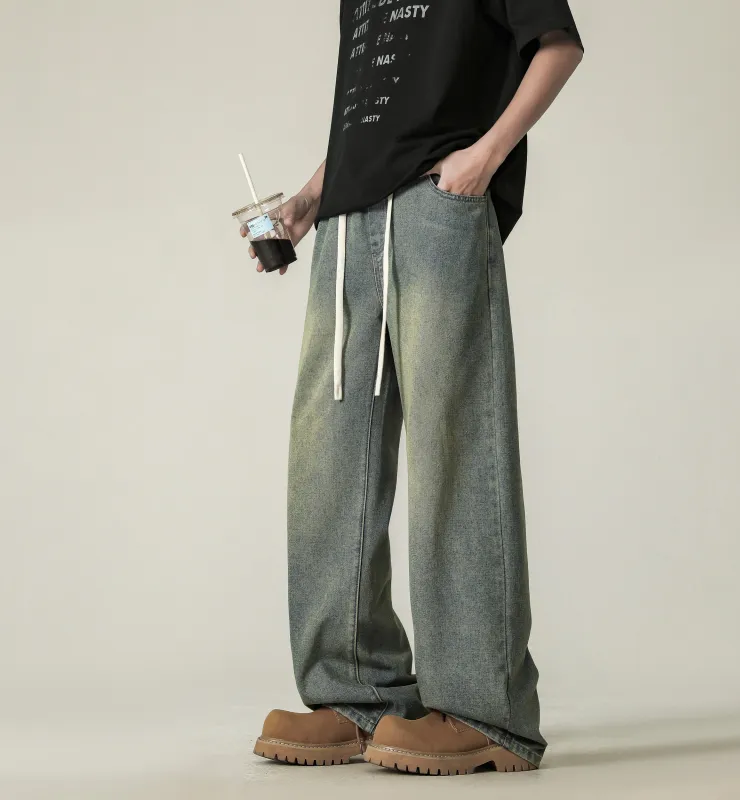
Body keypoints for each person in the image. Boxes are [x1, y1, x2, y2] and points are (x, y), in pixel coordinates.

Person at [243, 0, 583, 777]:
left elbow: (558, 46)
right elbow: (374, 125)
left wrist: (484, 158)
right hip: (344, 225)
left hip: (437, 206)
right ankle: (356, 693)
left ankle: (485, 712)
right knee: (327, 460)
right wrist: (307, 202)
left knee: (455, 448)